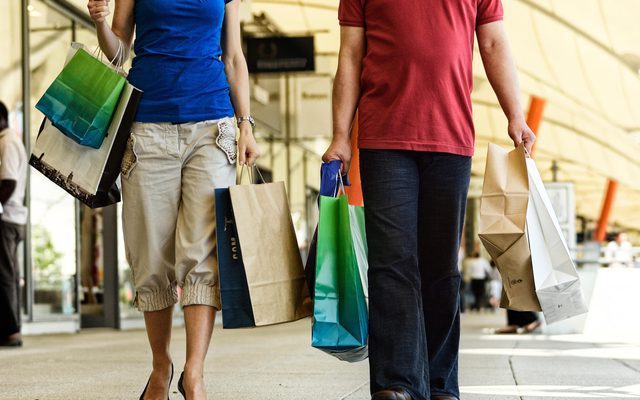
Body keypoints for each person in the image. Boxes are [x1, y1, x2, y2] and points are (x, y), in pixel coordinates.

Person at [322, 1, 536, 399]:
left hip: (451, 139)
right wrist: (340, 135)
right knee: (392, 263)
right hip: (383, 139)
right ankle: (397, 382)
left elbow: (492, 43)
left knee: (440, 268)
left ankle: (439, 382)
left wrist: (516, 115)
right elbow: (350, 54)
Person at [87, 1, 260, 399]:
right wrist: (100, 23)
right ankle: (161, 366)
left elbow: (233, 56)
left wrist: (245, 124)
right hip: (147, 128)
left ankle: (194, 374)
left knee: (202, 256)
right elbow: (118, 53)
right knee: (151, 256)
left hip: (212, 129)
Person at [0, 101, 28, 348]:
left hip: (7, 218)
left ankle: (11, 331)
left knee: (5, 275)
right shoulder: (11, 141)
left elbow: (7, 183)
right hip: (15, 218)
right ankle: (12, 328)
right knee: (10, 274)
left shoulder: (7, 143)